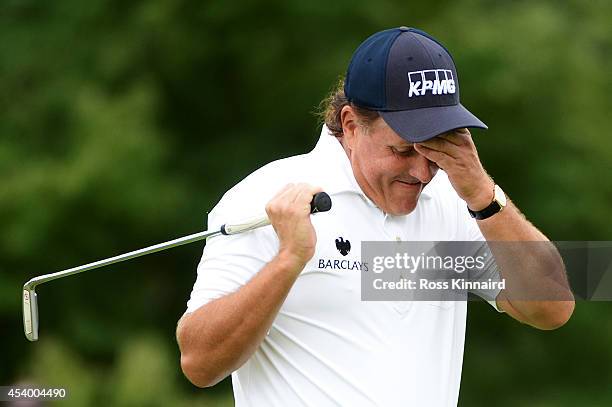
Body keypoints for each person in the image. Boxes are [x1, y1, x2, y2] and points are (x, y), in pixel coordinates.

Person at [176, 27, 574, 406]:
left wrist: (484, 196)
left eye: (435, 150)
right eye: (402, 151)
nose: (421, 172)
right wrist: (288, 262)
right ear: (350, 125)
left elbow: (552, 308)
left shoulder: (457, 200)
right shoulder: (264, 199)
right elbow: (199, 362)